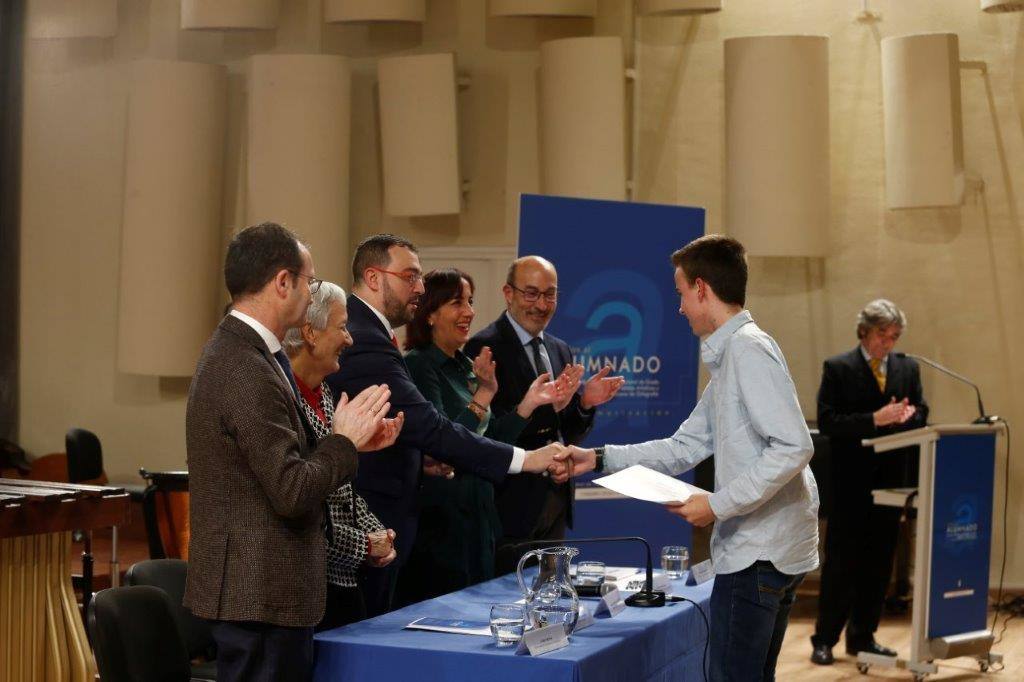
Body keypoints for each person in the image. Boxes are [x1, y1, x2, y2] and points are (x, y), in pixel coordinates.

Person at [564, 234, 819, 682]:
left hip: (759, 553)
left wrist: (716, 505)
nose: (679, 306)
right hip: (765, 549)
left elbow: (794, 445)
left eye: (681, 292)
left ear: (702, 288)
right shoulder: (733, 356)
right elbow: (684, 447)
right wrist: (599, 457)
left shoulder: (747, 350)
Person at [185, 222, 402, 681]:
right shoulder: (244, 366)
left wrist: (354, 440)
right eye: (311, 280)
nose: (313, 290)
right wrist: (343, 440)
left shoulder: (260, 356)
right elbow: (290, 489)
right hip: (258, 596)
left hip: (270, 595)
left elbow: (290, 459)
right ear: (283, 283)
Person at [325, 234, 568, 616]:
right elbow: (432, 427)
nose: (420, 289)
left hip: (427, 517)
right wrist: (526, 459)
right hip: (380, 522)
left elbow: (412, 429)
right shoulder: (366, 338)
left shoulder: (378, 335)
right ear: (374, 278)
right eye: (410, 276)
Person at [396, 268, 566, 603]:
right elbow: (445, 442)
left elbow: (484, 444)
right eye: (457, 302)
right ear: (430, 313)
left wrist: (525, 405)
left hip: (480, 520)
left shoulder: (466, 366)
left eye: (470, 301)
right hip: (442, 528)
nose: (470, 312)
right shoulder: (417, 366)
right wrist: (480, 399)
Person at [464, 256, 625, 574]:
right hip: (507, 507)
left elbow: (565, 431)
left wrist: (586, 404)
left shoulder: (559, 349)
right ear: (508, 293)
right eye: (531, 293)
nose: (541, 304)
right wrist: (531, 408)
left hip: (554, 503)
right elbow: (482, 436)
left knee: (551, 606)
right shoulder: (483, 348)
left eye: (549, 294)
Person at [810, 299, 928, 665]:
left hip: (892, 482)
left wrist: (907, 416)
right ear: (864, 331)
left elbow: (922, 411)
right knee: (842, 563)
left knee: (879, 564)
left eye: (894, 337)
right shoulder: (839, 367)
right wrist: (874, 419)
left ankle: (863, 637)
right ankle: (825, 638)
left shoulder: (907, 367)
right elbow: (828, 421)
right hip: (851, 482)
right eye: (882, 335)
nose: (888, 343)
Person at [282, 281, 403, 630]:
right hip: (303, 594)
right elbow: (302, 505)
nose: (349, 339)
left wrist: (379, 533)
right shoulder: (282, 399)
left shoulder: (325, 393)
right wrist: (365, 546)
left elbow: (340, 491)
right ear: (311, 333)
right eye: (342, 327)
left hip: (342, 586)